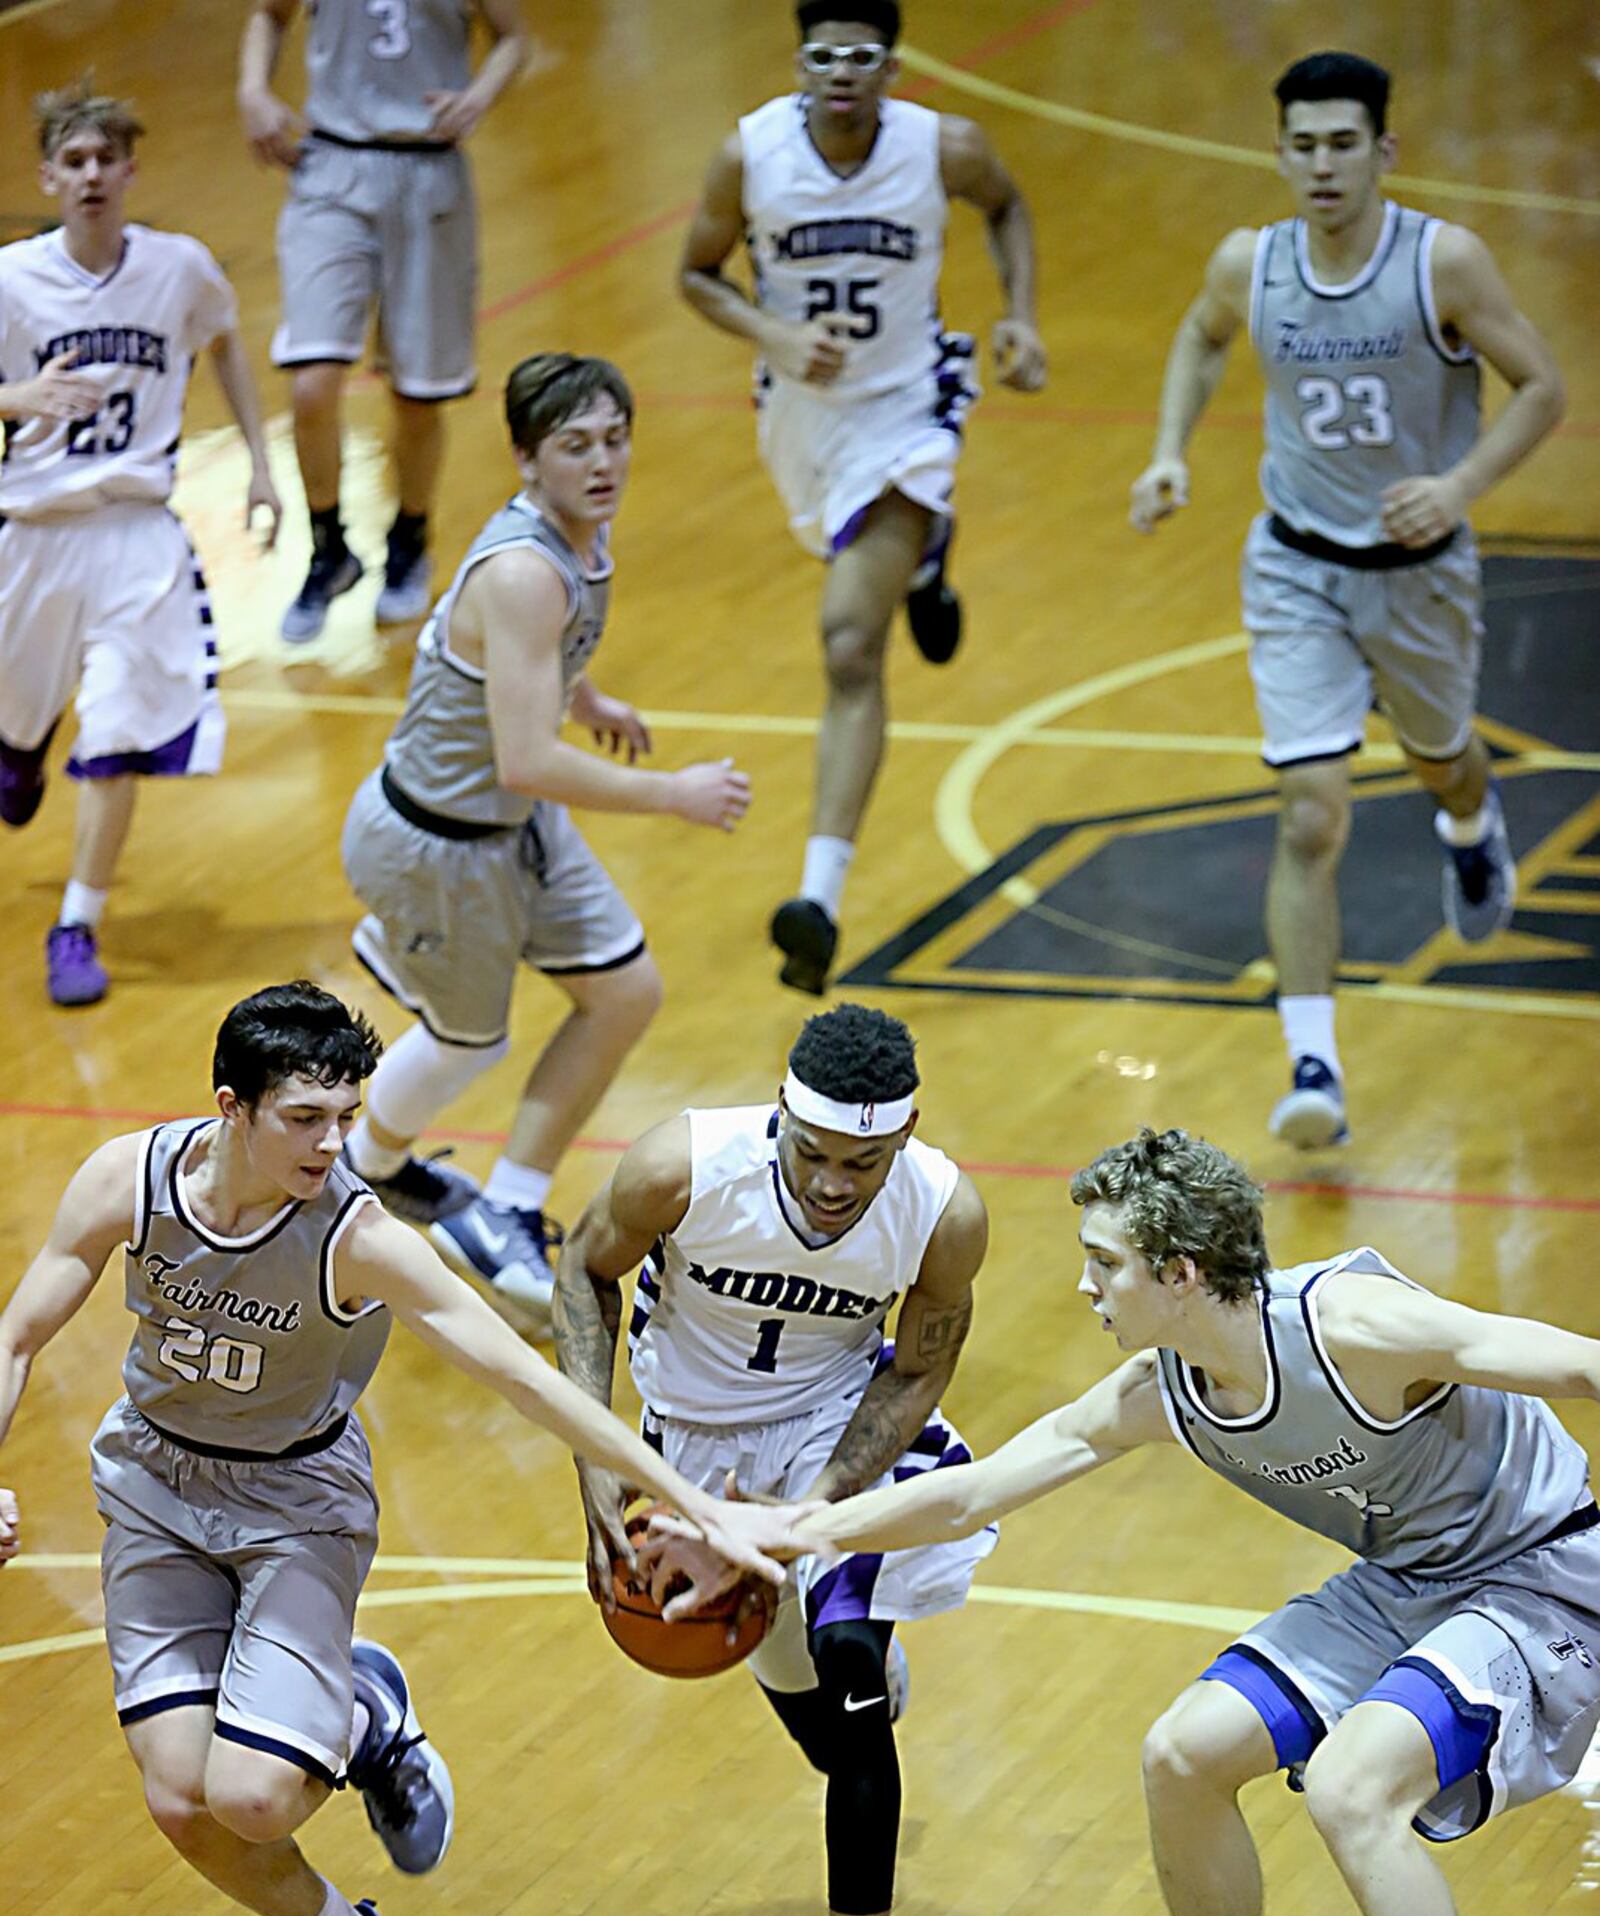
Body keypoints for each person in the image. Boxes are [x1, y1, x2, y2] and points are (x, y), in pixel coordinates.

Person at [687, 1124, 1600, 1916]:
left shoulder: (1351, 1328)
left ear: (1178, 1273)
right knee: (1182, 1755)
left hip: (1541, 1574)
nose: (1082, 1284)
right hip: (1406, 1583)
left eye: (1103, 1261)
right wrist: (791, 1528)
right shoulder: (1163, 1386)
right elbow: (974, 1495)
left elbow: (1576, 1362)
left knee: (1353, 1788)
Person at [0, 981, 776, 1916]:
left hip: (293, 1503)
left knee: (256, 1796)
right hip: (153, 1487)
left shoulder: (357, 1239)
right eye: (304, 1120)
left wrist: (679, 1494)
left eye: (347, 1117)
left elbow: (517, 1369)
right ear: (232, 1106)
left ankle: (360, 1714)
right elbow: (19, 1331)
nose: (332, 1143)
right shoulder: (128, 1179)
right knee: (182, 1800)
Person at [552, 1001, 994, 1916]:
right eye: (815, 1155)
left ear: (902, 1144)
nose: (837, 1184)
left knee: (850, 1693)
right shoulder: (679, 1167)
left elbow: (920, 1363)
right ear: (779, 1118)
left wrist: (818, 1511)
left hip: (832, 1430)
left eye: (865, 1162)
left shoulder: (942, 1212)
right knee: (810, 1709)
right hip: (690, 1442)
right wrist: (600, 1458)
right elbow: (582, 1273)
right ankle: (838, 1677)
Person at [1129, 50, 1564, 1150]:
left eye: (1341, 143)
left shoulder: (1442, 264)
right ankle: (1312, 1059)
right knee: (1311, 811)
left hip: (1418, 576)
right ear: (1278, 152)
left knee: (1440, 755)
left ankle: (1471, 823)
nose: (1320, 164)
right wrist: (1168, 453)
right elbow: (1195, 334)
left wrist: (1460, 486)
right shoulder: (1250, 263)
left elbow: (1544, 386)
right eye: (1301, 144)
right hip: (1293, 568)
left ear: (1383, 152)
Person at [339, 353, 750, 1335]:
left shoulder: (577, 537)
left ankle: (508, 1206)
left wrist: (588, 693)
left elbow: (508, 658)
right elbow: (525, 757)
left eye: (615, 439)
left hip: (509, 829)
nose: (603, 462)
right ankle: (352, 1186)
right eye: (576, 446)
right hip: (441, 842)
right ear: (527, 458)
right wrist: (670, 794)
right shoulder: (525, 571)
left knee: (624, 993)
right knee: (465, 1040)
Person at [679, 2, 1046, 996]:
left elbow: (1007, 206)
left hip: (907, 411)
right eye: (823, 54)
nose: (842, 70)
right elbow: (695, 276)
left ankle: (819, 903)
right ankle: (927, 556)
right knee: (857, 578)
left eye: (862, 55)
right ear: (801, 63)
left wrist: (1018, 318)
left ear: (890, 64)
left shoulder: (945, 146)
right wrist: (773, 335)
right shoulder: (747, 154)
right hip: (801, 420)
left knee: (849, 642)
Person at [0, 84, 282, 1010]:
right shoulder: (12, 280)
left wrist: (260, 464)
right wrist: (16, 401)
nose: (89, 176)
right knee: (11, 742)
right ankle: (22, 742)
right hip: (34, 533)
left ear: (129, 171)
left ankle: (76, 923)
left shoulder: (181, 269)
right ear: (47, 175)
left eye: (103, 160)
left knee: (118, 734)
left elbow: (228, 344)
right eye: (71, 162)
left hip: (135, 535)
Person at [237, 0, 528, 642]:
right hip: (330, 170)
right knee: (311, 382)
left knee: (417, 397)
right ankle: (328, 546)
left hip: (429, 173)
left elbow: (512, 38)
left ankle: (410, 536)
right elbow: (269, 15)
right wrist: (254, 90)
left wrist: (479, 96)